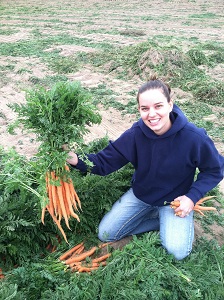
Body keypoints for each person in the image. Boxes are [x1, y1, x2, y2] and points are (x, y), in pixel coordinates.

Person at [65, 76, 224, 260]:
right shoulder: (135, 135)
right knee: (106, 234)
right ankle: (160, 222)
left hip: (174, 201)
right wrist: (73, 158)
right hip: (141, 196)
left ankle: (170, 220)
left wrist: (191, 197)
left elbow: (214, 169)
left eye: (158, 106)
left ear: (170, 105)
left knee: (177, 252)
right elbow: (104, 162)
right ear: (139, 110)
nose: (152, 114)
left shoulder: (193, 137)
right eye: (145, 109)